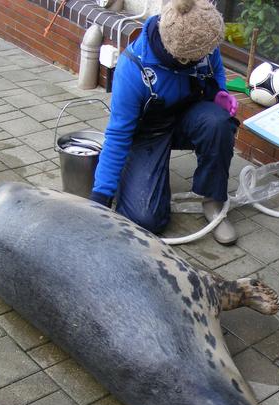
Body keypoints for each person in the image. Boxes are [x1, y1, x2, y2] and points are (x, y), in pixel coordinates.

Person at [90, 0, 239, 244]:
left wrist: (218, 94)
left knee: (219, 123)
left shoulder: (203, 39)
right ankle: (128, 177)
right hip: (149, 132)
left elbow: (216, 70)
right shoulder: (133, 69)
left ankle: (213, 202)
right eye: (200, 56)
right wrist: (99, 199)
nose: (208, 55)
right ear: (180, 57)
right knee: (147, 220)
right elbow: (117, 136)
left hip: (190, 117)